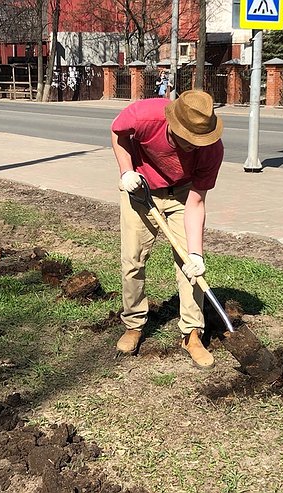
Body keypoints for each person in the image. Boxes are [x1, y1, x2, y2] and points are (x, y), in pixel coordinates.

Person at [111, 90, 224, 369]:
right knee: (132, 260)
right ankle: (134, 324)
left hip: (183, 194)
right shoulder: (145, 115)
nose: (192, 146)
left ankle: (192, 333)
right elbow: (117, 133)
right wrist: (126, 171)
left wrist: (196, 255)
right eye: (188, 139)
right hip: (140, 188)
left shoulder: (211, 149)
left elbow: (196, 203)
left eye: (197, 140)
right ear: (173, 123)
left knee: (190, 266)